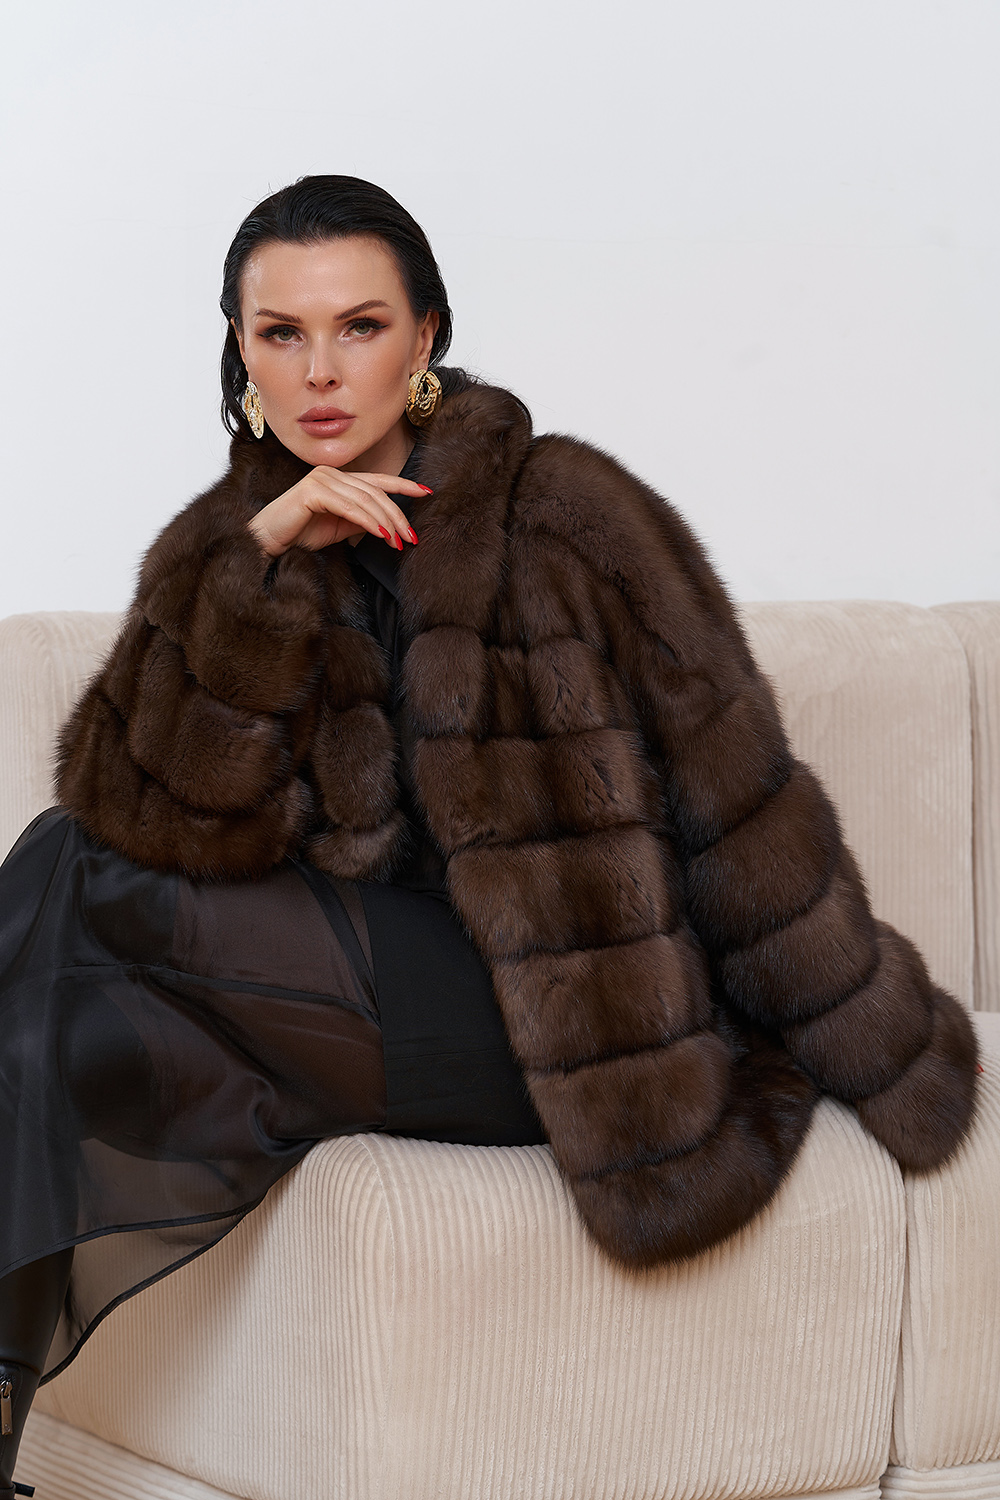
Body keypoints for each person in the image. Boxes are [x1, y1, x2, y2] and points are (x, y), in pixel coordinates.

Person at [0, 174, 979, 1500]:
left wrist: (887, 1051)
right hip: (354, 997)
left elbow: (737, 790)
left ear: (426, 336)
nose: (319, 372)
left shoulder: (566, 513)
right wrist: (258, 568)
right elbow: (159, 817)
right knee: (51, 1018)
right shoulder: (230, 546)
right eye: (281, 333)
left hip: (572, 1020)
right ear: (239, 352)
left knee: (63, 870)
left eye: (359, 326)